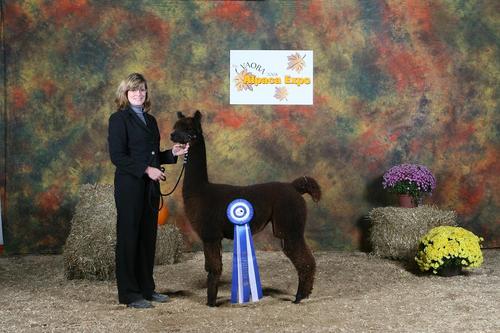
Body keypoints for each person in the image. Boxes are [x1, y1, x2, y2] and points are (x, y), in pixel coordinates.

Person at [108, 73, 189, 309]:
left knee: (147, 239)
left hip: (150, 188)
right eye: (133, 90)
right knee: (129, 238)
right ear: (125, 93)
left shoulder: (150, 120)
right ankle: (130, 294)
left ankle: (147, 288)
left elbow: (153, 155)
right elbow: (118, 157)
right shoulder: (118, 119)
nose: (138, 94)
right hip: (130, 186)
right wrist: (146, 170)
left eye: (142, 90)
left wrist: (171, 154)